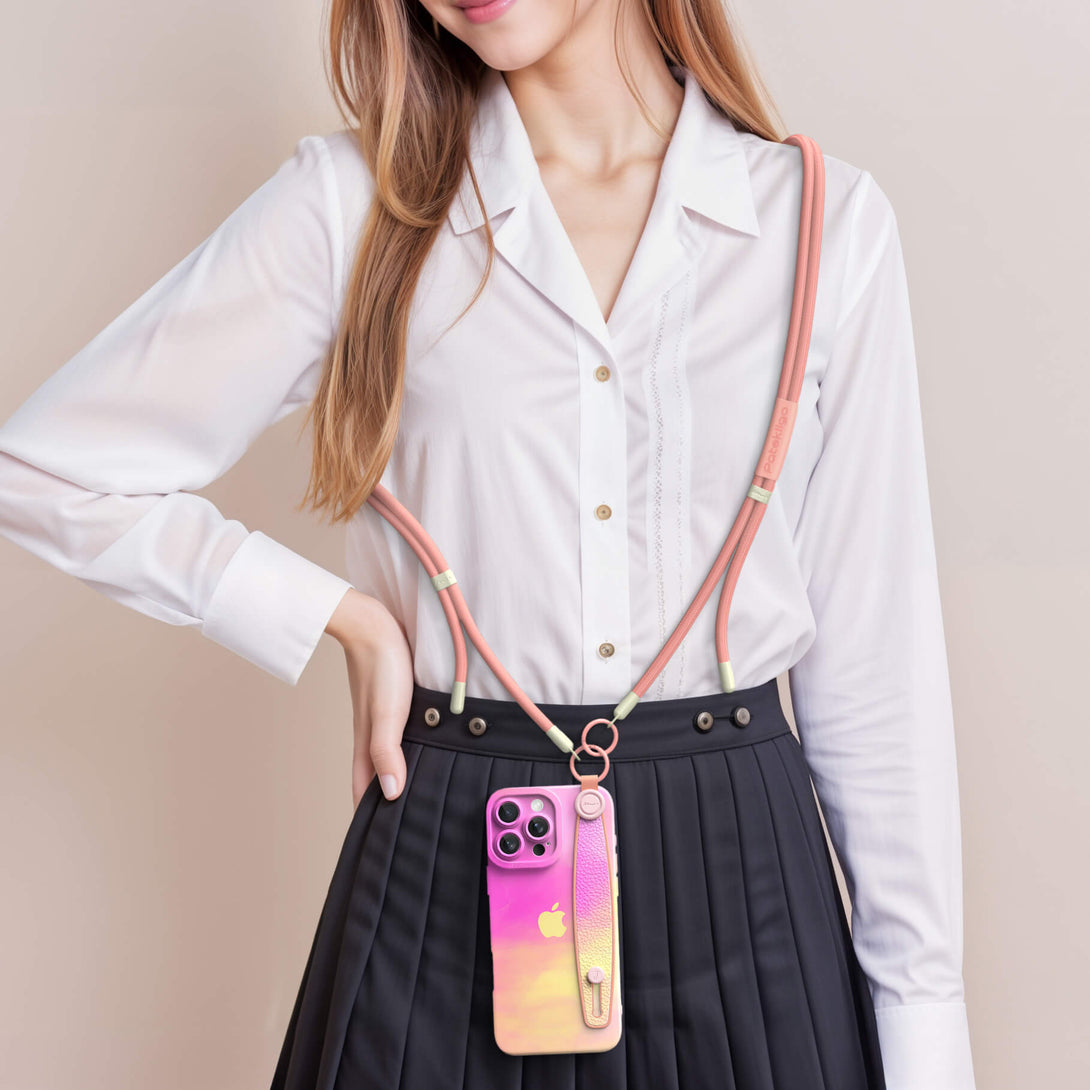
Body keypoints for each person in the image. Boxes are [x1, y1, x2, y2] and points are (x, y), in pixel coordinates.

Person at [0, 1, 977, 1087]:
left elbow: (875, 671)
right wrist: (336, 618)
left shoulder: (819, 224)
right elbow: (45, 465)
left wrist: (926, 1037)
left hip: (745, 870)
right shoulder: (356, 205)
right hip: (449, 864)